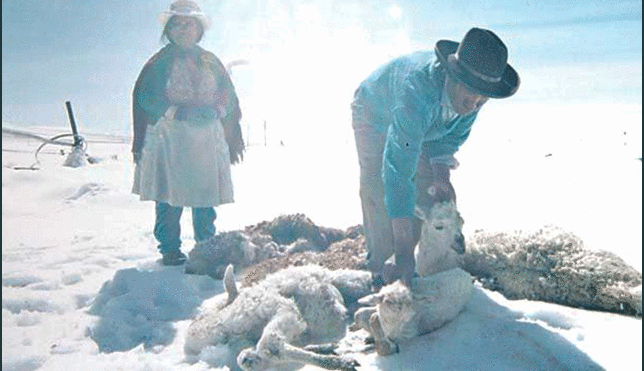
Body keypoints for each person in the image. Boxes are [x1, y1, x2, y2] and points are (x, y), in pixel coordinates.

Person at [351, 27, 520, 286]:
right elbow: (397, 173)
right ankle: (383, 266)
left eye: (482, 100)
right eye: (471, 95)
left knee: (428, 188)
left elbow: (447, 140)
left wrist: (441, 178)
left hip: (421, 123)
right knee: (378, 181)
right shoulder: (416, 93)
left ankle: (417, 257)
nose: (474, 105)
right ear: (453, 77)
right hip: (374, 112)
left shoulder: (471, 99)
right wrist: (404, 253)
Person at [131, 0, 244, 266]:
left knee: (205, 196)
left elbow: (228, 95)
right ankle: (170, 249)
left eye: (189, 24)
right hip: (171, 139)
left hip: (205, 139)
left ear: (199, 29)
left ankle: (206, 247)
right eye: (177, 24)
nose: (183, 29)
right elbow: (145, 97)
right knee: (170, 195)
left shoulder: (211, 61)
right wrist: (175, 112)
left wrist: (218, 109)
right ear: (169, 30)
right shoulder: (158, 63)